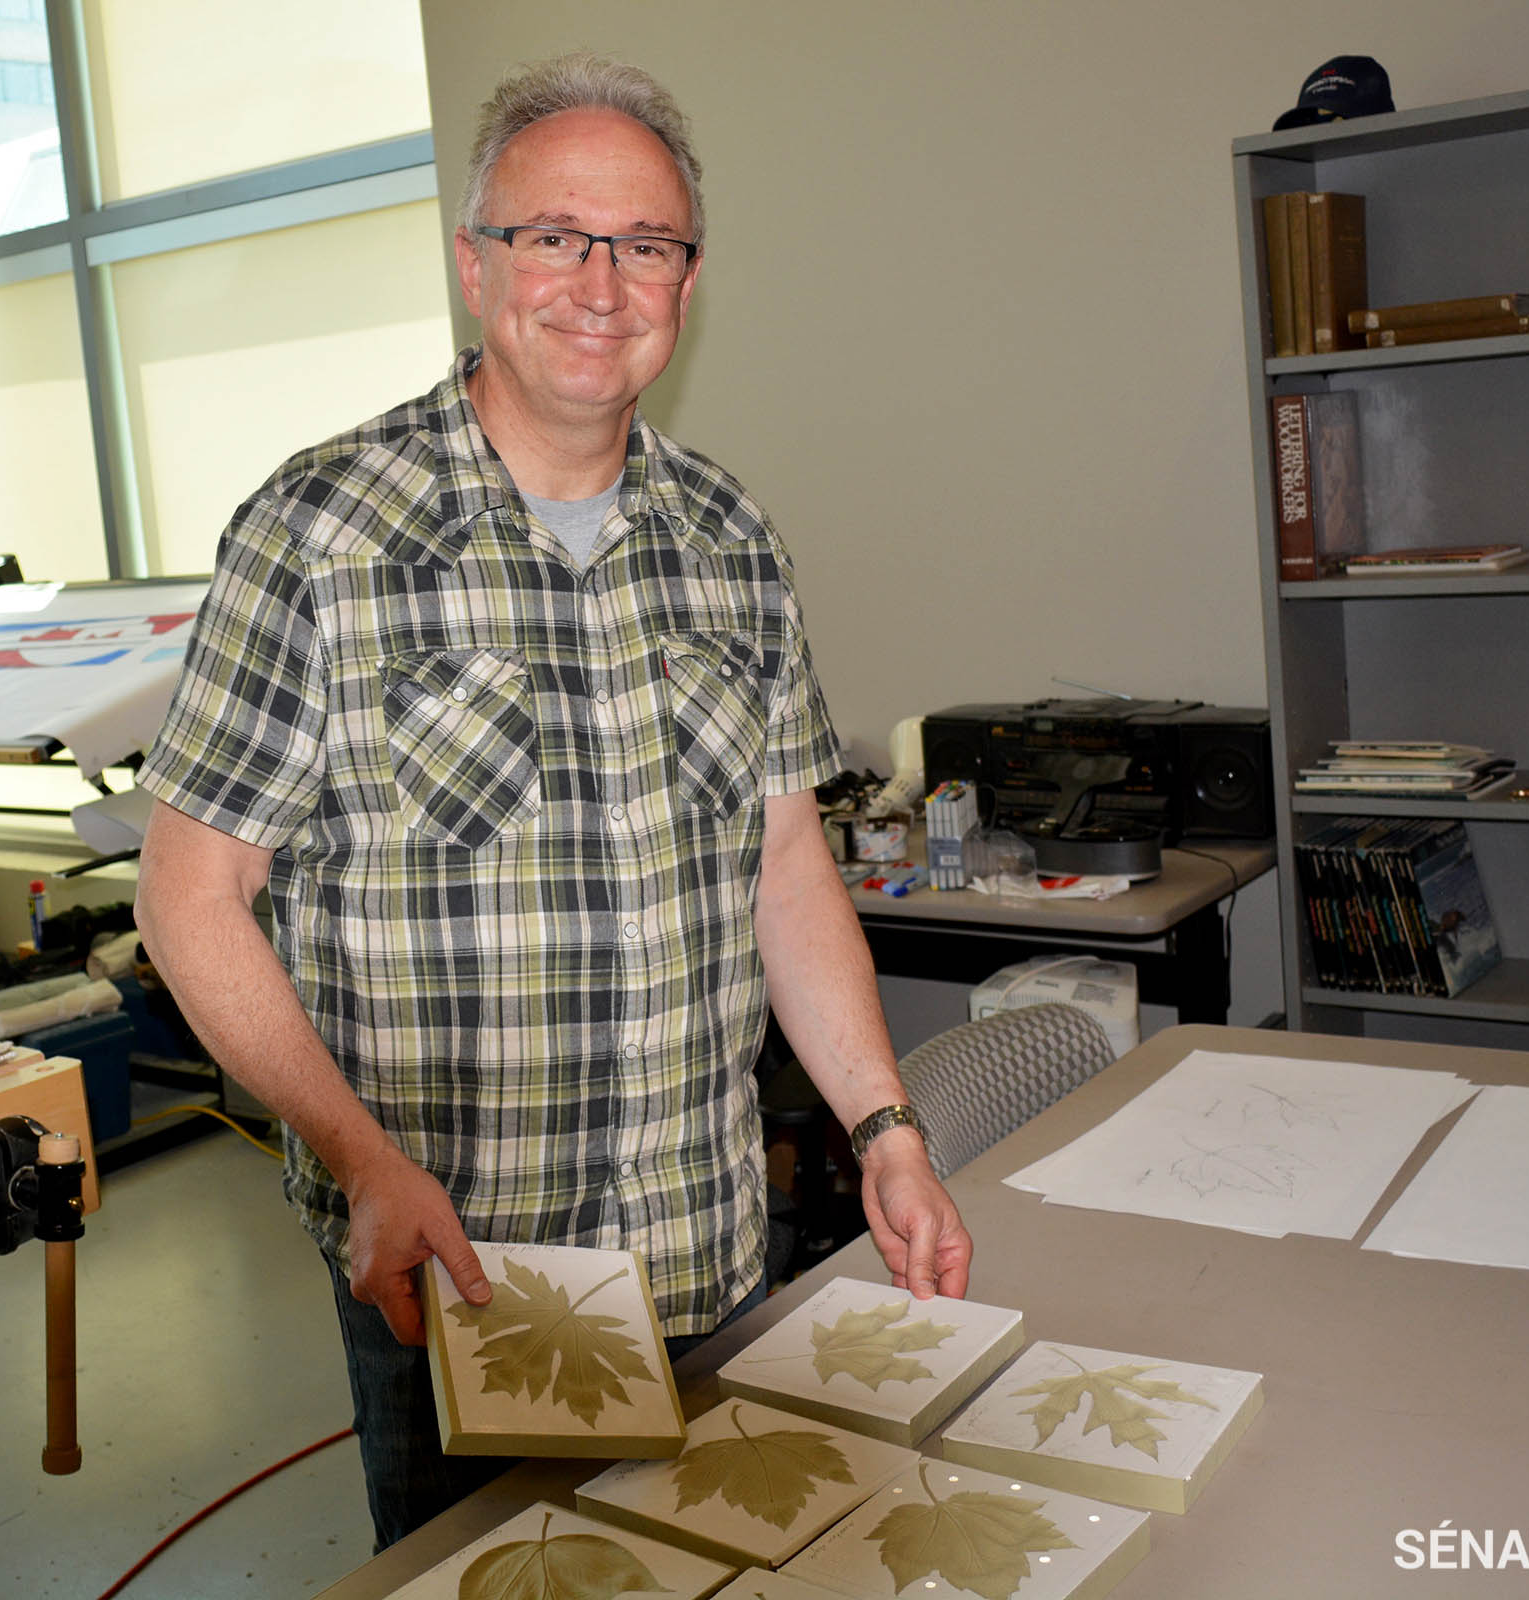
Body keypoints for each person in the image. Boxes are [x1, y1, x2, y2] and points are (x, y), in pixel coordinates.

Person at [131, 50, 971, 1549]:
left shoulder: (729, 536)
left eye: (644, 245)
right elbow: (191, 902)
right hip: (462, 1273)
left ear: (686, 284)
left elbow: (786, 869)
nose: (601, 281)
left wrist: (885, 1127)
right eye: (554, 237)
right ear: (475, 266)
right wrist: (357, 1154)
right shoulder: (321, 533)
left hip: (712, 1251)